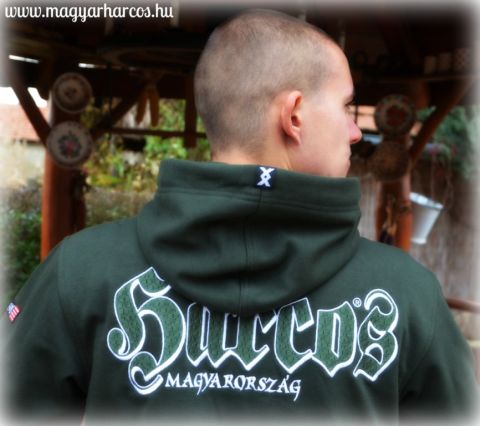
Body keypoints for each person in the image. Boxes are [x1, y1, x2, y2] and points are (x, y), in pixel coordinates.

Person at [3, 9, 477, 425]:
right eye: (345, 106)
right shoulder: (406, 294)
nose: (355, 131)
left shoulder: (77, 271)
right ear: (294, 115)